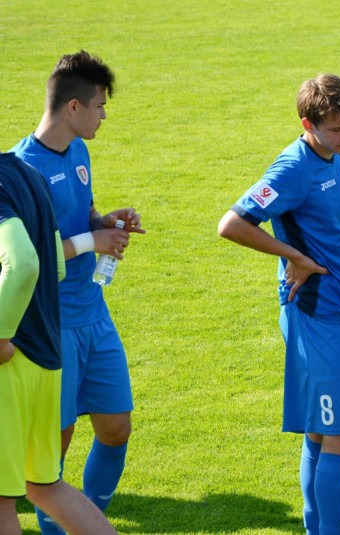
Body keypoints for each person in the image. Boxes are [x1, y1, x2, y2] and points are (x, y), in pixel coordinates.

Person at [218, 74, 340, 535]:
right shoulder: (292, 168)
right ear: (308, 124)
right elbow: (232, 223)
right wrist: (293, 256)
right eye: (338, 128)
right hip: (317, 313)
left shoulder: (339, 154)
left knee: (322, 430)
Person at [10, 50, 144, 533]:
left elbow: (81, 212)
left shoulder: (79, 152)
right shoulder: (21, 170)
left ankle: (89, 518)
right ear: (73, 107)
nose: (103, 115)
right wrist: (93, 241)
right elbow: (26, 257)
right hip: (52, 326)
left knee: (116, 427)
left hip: (94, 312)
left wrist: (103, 221)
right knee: (55, 445)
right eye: (100, 106)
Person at [0, 152, 117, 534]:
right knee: (44, 485)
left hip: (10, 362)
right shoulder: (28, 175)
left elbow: (24, 264)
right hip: (45, 356)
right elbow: (56, 265)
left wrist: (1, 336)